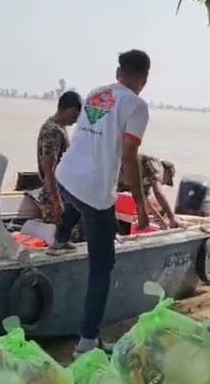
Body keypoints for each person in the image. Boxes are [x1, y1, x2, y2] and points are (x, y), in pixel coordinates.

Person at [49, 49, 152, 356]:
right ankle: (87, 340)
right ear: (144, 79)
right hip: (94, 192)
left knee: (73, 202)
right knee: (102, 267)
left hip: (65, 175)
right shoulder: (137, 105)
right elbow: (130, 156)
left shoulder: (95, 94)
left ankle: (59, 238)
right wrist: (141, 205)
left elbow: (92, 137)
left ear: (119, 71)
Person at [35, 91, 82, 225]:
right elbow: (49, 169)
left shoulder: (57, 126)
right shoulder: (53, 131)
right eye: (75, 115)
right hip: (54, 196)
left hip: (61, 193)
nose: (76, 120)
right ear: (70, 109)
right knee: (64, 238)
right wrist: (57, 202)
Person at [118, 155, 182, 229]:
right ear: (166, 172)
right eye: (169, 178)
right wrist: (171, 216)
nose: (168, 183)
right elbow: (158, 192)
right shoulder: (157, 166)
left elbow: (147, 203)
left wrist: (161, 220)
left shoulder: (147, 179)